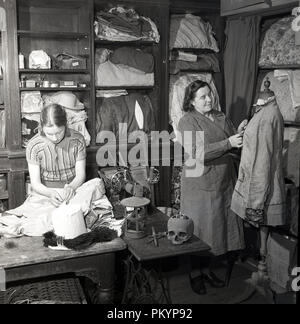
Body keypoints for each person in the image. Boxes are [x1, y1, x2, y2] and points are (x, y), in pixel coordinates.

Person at [178, 80, 246, 295]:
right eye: (202, 97)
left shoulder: (219, 116)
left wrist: (241, 132)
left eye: (209, 95)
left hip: (223, 181)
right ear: (191, 101)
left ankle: (206, 270)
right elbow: (197, 153)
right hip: (200, 183)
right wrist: (228, 144)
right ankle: (195, 275)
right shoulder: (188, 121)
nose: (208, 99)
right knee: (199, 231)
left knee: (216, 231)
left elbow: (232, 138)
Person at [0, 104, 106, 238]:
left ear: (66, 125)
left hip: (73, 191)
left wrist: (71, 187)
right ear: (42, 126)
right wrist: (51, 194)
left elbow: (80, 175)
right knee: (49, 217)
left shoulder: (77, 140)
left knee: (97, 184)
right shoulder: (34, 145)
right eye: (50, 133)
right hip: (45, 194)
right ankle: (29, 223)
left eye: (59, 132)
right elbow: (36, 184)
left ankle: (49, 218)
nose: (55, 137)